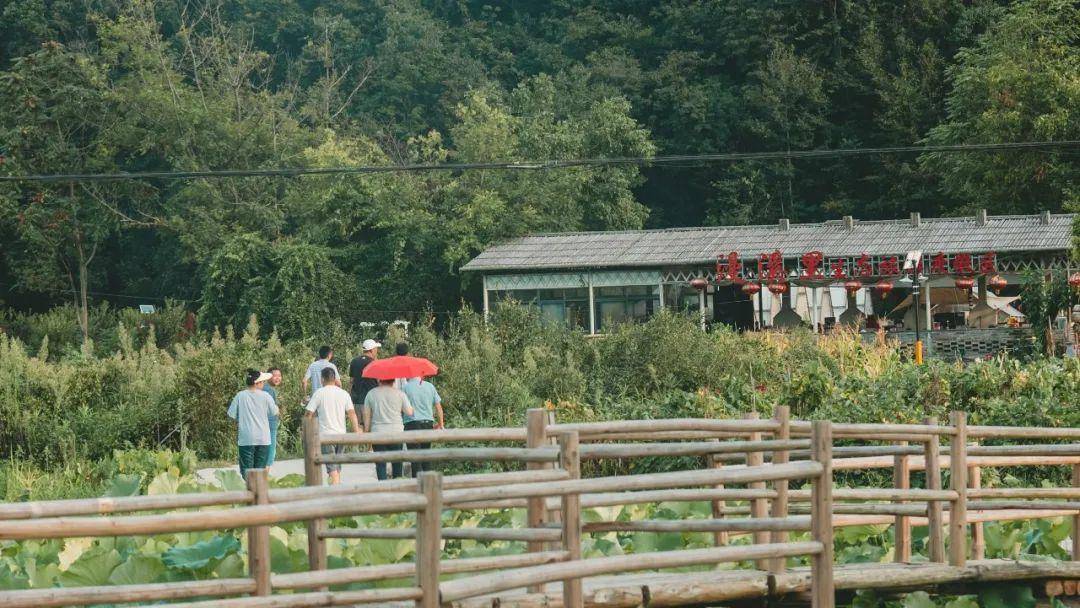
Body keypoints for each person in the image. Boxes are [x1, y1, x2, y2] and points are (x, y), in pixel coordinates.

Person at [305, 366, 362, 485]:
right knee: (337, 465)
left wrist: (306, 431)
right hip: (341, 435)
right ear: (334, 378)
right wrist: (356, 431)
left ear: (322, 379)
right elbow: (352, 413)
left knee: (331, 466)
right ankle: (338, 488)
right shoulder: (344, 393)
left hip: (326, 435)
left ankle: (336, 491)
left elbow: (308, 413)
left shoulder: (319, 393)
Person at [227, 369, 279, 480]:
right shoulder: (266, 396)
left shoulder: (240, 396)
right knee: (260, 471)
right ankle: (257, 494)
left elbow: (231, 414)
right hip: (263, 439)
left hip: (246, 439)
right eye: (262, 382)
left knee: (246, 471)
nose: (264, 384)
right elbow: (274, 412)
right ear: (257, 383)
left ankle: (250, 493)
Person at [363, 378, 414, 480]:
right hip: (397, 433)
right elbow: (409, 412)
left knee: (381, 464)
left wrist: (367, 430)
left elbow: (366, 415)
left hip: (378, 433)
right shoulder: (400, 394)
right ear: (394, 381)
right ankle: (397, 486)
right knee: (397, 463)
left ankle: (383, 489)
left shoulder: (371, 394)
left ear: (379, 380)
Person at [402, 377, 445, 477]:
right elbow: (439, 407)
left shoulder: (406, 388)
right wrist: (441, 424)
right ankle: (429, 485)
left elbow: (401, 407)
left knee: (415, 458)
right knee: (426, 456)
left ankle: (417, 486)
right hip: (428, 424)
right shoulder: (430, 386)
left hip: (412, 424)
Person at [348, 339, 381, 405]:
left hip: (356, 400)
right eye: (376, 349)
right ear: (372, 350)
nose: (377, 351)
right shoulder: (374, 363)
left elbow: (351, 381)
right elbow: (379, 381)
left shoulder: (354, 361)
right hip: (371, 400)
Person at [262, 367, 283, 467]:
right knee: (269, 456)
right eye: (275, 376)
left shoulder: (264, 388)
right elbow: (271, 411)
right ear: (268, 376)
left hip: (262, 425)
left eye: (279, 376)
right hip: (269, 426)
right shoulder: (269, 390)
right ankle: (264, 480)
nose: (277, 378)